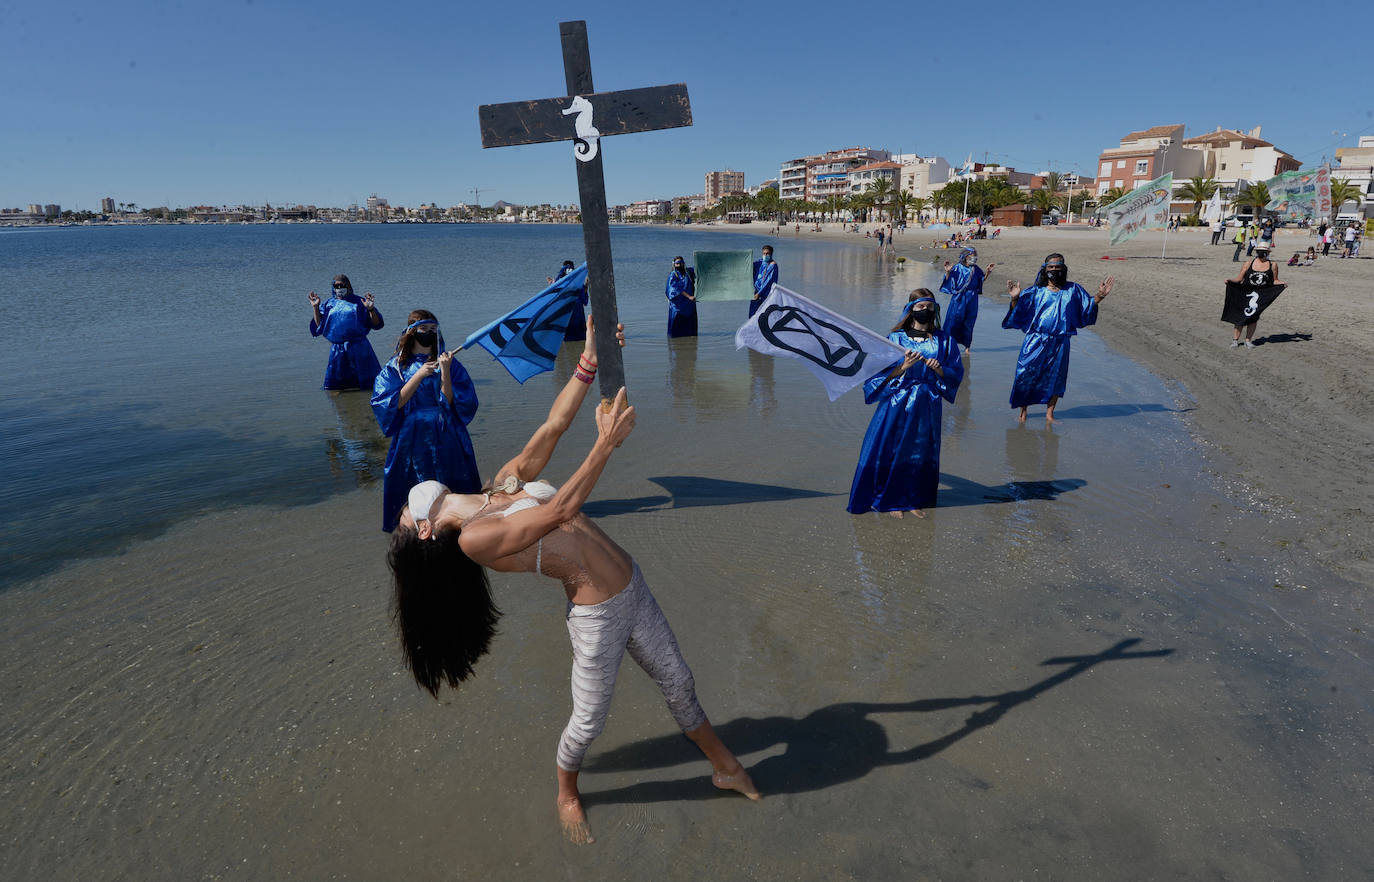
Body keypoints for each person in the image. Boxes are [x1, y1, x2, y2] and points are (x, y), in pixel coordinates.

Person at [386, 319, 759, 844]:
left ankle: (727, 768)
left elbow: (554, 425)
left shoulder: (496, 487)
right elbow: (559, 510)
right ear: (425, 531)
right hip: (597, 613)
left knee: (680, 682)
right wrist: (605, 445)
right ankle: (566, 793)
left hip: (632, 584)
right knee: (588, 723)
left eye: (400, 512)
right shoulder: (475, 540)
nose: (402, 509)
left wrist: (589, 359)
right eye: (405, 518)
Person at [848, 290, 964, 519]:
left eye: (930, 307)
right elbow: (875, 374)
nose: (926, 311)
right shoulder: (895, 339)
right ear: (911, 309)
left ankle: (913, 499)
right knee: (892, 448)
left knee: (920, 451)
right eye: (921, 307)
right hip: (897, 402)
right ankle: (890, 500)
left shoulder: (944, 340)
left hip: (927, 403)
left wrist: (939, 369)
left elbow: (956, 373)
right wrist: (903, 367)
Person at [371, 310, 480, 532]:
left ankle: (455, 526)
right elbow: (392, 404)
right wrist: (419, 374)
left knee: (451, 479)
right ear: (412, 332)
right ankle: (415, 529)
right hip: (412, 434)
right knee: (414, 483)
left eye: (433, 329)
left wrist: (445, 370)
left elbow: (450, 402)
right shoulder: (396, 367)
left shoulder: (449, 362)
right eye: (424, 329)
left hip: (445, 431)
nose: (429, 333)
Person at [1003, 253, 1115, 424]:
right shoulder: (1035, 291)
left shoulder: (1073, 290)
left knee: (1056, 377)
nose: (1054, 270)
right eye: (1051, 267)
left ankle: (1050, 414)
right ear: (1045, 269)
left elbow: (1086, 307)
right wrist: (1015, 298)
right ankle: (1023, 413)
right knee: (1025, 374)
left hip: (1060, 341)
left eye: (1058, 267)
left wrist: (1100, 296)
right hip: (1035, 340)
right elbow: (1019, 313)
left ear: (1063, 269)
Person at [307, 274, 384, 390]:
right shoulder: (328, 304)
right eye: (336, 286)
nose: (339, 288)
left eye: (341, 285)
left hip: (359, 348)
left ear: (348, 286)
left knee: (369, 386)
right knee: (337, 388)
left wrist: (371, 309)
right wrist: (315, 307)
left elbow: (376, 324)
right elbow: (319, 327)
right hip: (338, 350)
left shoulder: (360, 302)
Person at [940, 246, 996, 354]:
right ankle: (948, 345)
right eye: (972, 256)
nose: (974, 258)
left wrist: (988, 272)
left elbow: (980, 280)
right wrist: (947, 272)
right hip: (959, 297)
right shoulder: (957, 268)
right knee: (953, 320)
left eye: (975, 256)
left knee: (969, 321)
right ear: (965, 257)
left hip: (972, 298)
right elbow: (949, 281)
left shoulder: (976, 268)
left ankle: (967, 347)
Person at [1226, 243, 1279, 349]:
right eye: (1259, 251)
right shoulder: (1248, 263)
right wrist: (1230, 281)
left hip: (1261, 296)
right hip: (1245, 293)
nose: (1261, 253)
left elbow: (1275, 280)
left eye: (1263, 252)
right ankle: (1235, 340)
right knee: (1241, 317)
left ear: (1267, 253)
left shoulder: (1273, 265)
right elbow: (1239, 279)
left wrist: (1282, 284)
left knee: (1253, 318)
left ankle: (1248, 341)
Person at [547, 260, 589, 342]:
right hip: (572, 315)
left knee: (572, 338)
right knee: (577, 339)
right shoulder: (575, 284)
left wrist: (586, 287)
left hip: (571, 315)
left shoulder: (563, 284)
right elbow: (585, 301)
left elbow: (585, 301)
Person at [665, 255, 697, 337]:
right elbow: (674, 289)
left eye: (681, 262)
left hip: (689, 305)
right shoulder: (673, 275)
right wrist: (689, 296)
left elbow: (699, 269)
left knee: (690, 330)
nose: (679, 265)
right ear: (674, 264)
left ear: (683, 263)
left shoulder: (688, 272)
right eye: (677, 263)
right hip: (678, 306)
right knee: (676, 330)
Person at [750, 245, 778, 317]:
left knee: (763, 316)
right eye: (764, 253)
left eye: (767, 253)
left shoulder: (773, 266)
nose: (765, 255)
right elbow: (748, 267)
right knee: (752, 316)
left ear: (771, 254)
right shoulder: (760, 262)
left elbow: (768, 282)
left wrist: (759, 293)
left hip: (765, 295)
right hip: (755, 293)